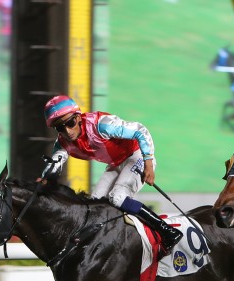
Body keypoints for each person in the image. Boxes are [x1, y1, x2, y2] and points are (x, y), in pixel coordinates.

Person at [41, 95, 183, 255]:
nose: (67, 131)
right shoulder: (62, 143)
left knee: (118, 197)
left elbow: (140, 131)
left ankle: (167, 231)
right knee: (94, 206)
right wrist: (45, 178)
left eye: (70, 123)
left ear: (78, 117)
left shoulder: (101, 125)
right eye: (60, 128)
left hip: (136, 155)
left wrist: (148, 163)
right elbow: (54, 162)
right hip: (117, 163)